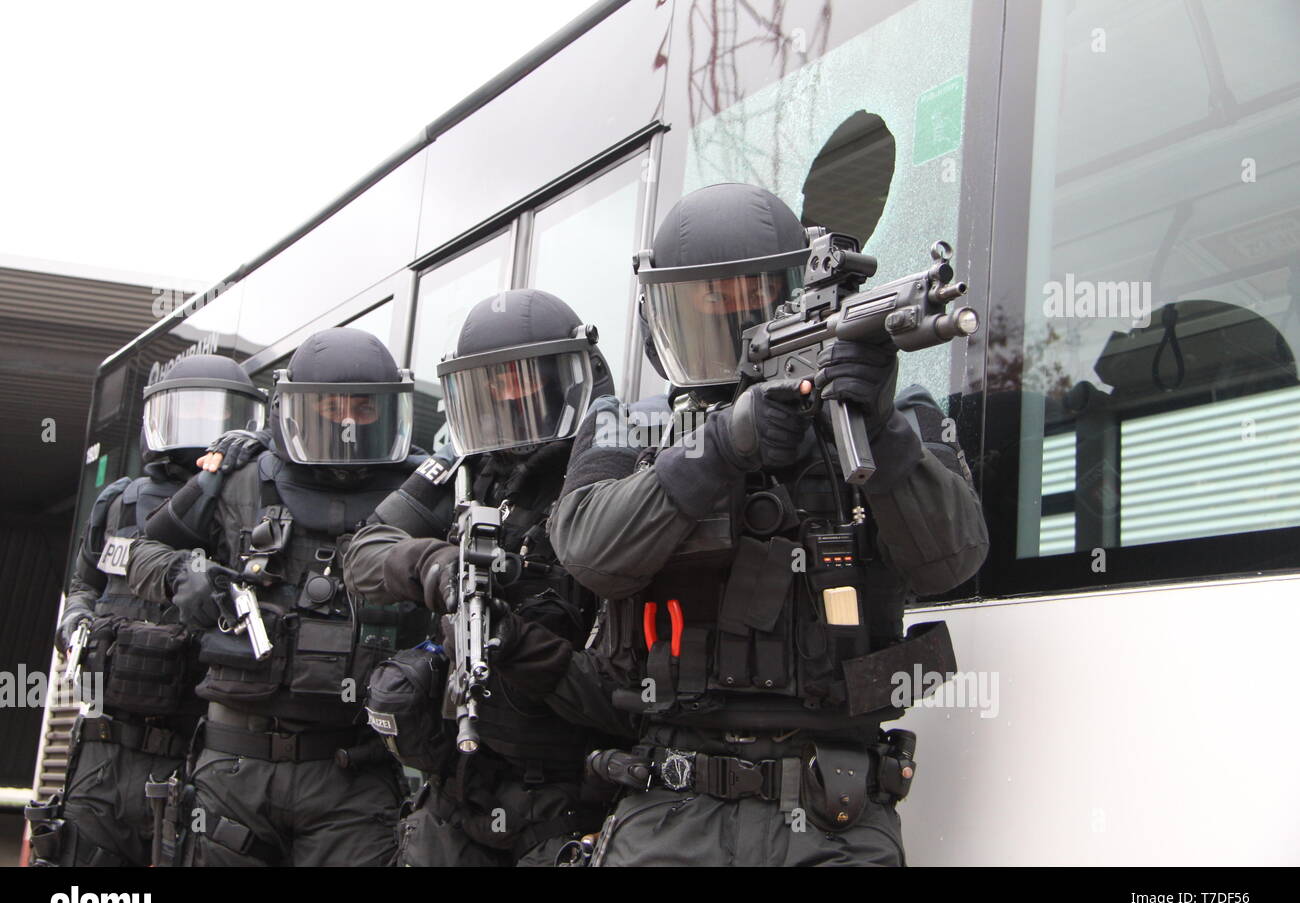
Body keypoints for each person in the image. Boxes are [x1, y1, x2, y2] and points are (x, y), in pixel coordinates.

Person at [543, 183, 990, 866]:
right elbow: (590, 552)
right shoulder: (626, 424)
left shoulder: (890, 416)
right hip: (672, 803)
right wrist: (720, 447)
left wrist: (881, 427)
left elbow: (952, 561)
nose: (726, 334)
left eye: (745, 303)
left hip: (834, 809)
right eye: (700, 310)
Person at [342, 289, 629, 866]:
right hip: (457, 787)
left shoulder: (616, 469)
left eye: (524, 379)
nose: (508, 398)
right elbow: (363, 552)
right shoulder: (468, 471)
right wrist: (433, 566)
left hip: (573, 798)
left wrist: (523, 647)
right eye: (491, 385)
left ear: (571, 377)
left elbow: (630, 696)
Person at [124, 327, 428, 866]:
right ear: (296, 408)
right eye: (334, 407)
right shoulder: (235, 476)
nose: (350, 422)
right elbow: (139, 552)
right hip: (233, 769)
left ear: (390, 410)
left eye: (365, 408)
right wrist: (180, 574)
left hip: (353, 772)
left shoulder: (423, 492)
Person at [25, 355, 266, 866]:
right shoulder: (119, 501)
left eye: (215, 415)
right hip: (103, 744)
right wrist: (76, 622)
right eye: (186, 412)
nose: (198, 428)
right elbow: (82, 585)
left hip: (195, 747)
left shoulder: (249, 507)